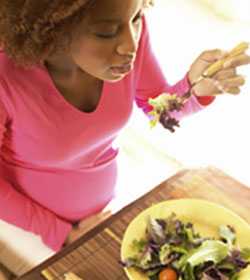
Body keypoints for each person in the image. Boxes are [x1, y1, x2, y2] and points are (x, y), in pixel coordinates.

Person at [0, 0, 249, 277]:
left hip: (100, 213)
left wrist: (194, 88)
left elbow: (157, 106)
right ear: (52, 29)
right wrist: (64, 233)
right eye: (106, 32)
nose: (130, 45)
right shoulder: (5, 79)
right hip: (31, 231)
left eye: (137, 18)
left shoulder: (127, 37)